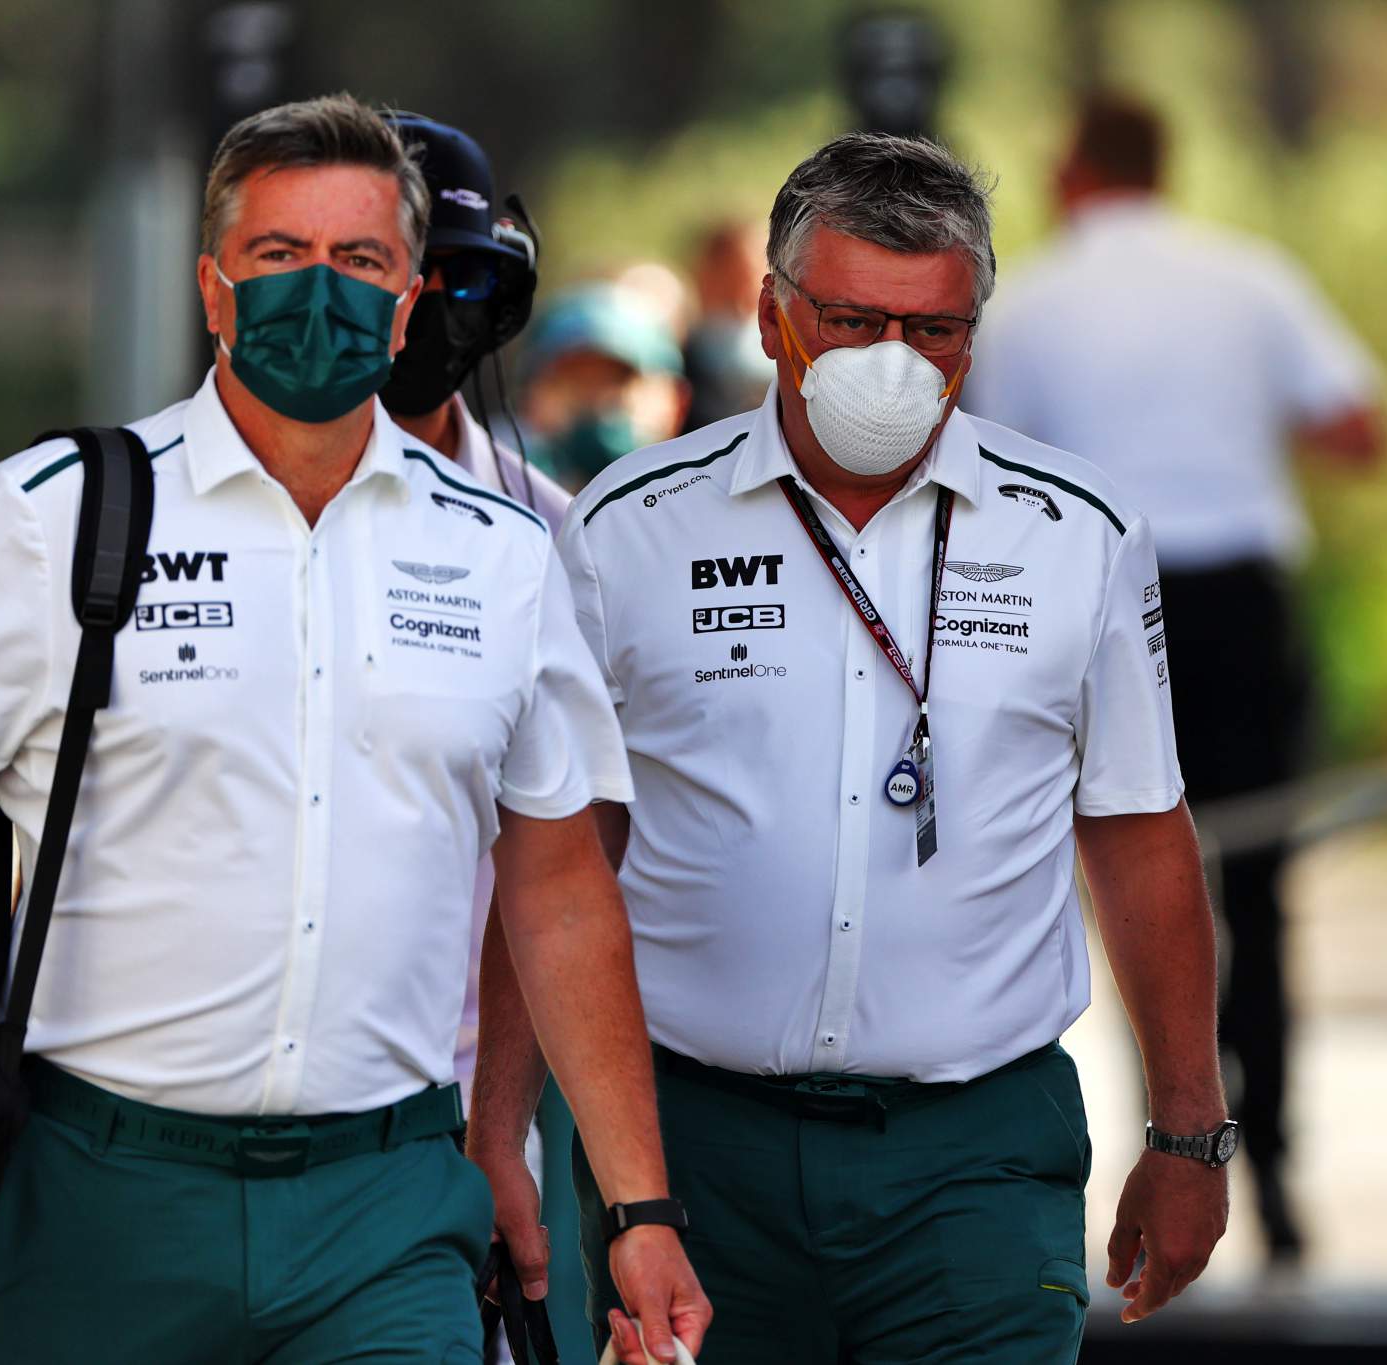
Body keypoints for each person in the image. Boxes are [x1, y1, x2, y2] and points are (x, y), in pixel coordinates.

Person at [0, 94, 708, 1365]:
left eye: (359, 262)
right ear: (212, 287)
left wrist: (637, 1208)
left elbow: (561, 891)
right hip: (97, 1195)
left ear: (408, 301)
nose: (319, 293)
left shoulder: (506, 557)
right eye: (280, 256)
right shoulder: (59, 512)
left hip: (386, 1207)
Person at [472, 130, 1232, 1363]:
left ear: (971, 337)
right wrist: (499, 1129)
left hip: (973, 1153)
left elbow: (1141, 836)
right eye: (848, 320)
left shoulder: (1080, 532)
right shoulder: (627, 529)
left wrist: (1190, 1135)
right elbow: (559, 861)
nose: (891, 363)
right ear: (771, 318)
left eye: (930, 331)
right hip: (680, 1147)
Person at [961, 92, 1387, 1263]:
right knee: (1253, 893)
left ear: (1069, 170)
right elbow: (1360, 430)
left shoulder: (1032, 300)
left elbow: (980, 464)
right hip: (1240, 602)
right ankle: (1278, 1170)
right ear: (1163, 164)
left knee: (1110, 879)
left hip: (1096, 599)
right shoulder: (1249, 279)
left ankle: (1146, 1138)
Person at [376, 110, 566, 1341]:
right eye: (405, 274)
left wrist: (498, 1126)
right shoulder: (167, 504)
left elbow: (566, 869)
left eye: (465, 280)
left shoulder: (553, 538)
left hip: (459, 1099)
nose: (432, 309)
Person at [519, 285, 689, 492]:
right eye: (575, 382)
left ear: (675, 404)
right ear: (531, 398)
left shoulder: (708, 505)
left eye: (619, 381)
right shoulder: (501, 493)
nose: (596, 403)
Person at [681, 221, 777, 430]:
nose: (745, 286)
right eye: (734, 273)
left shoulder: (790, 356)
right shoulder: (683, 359)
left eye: (754, 272)